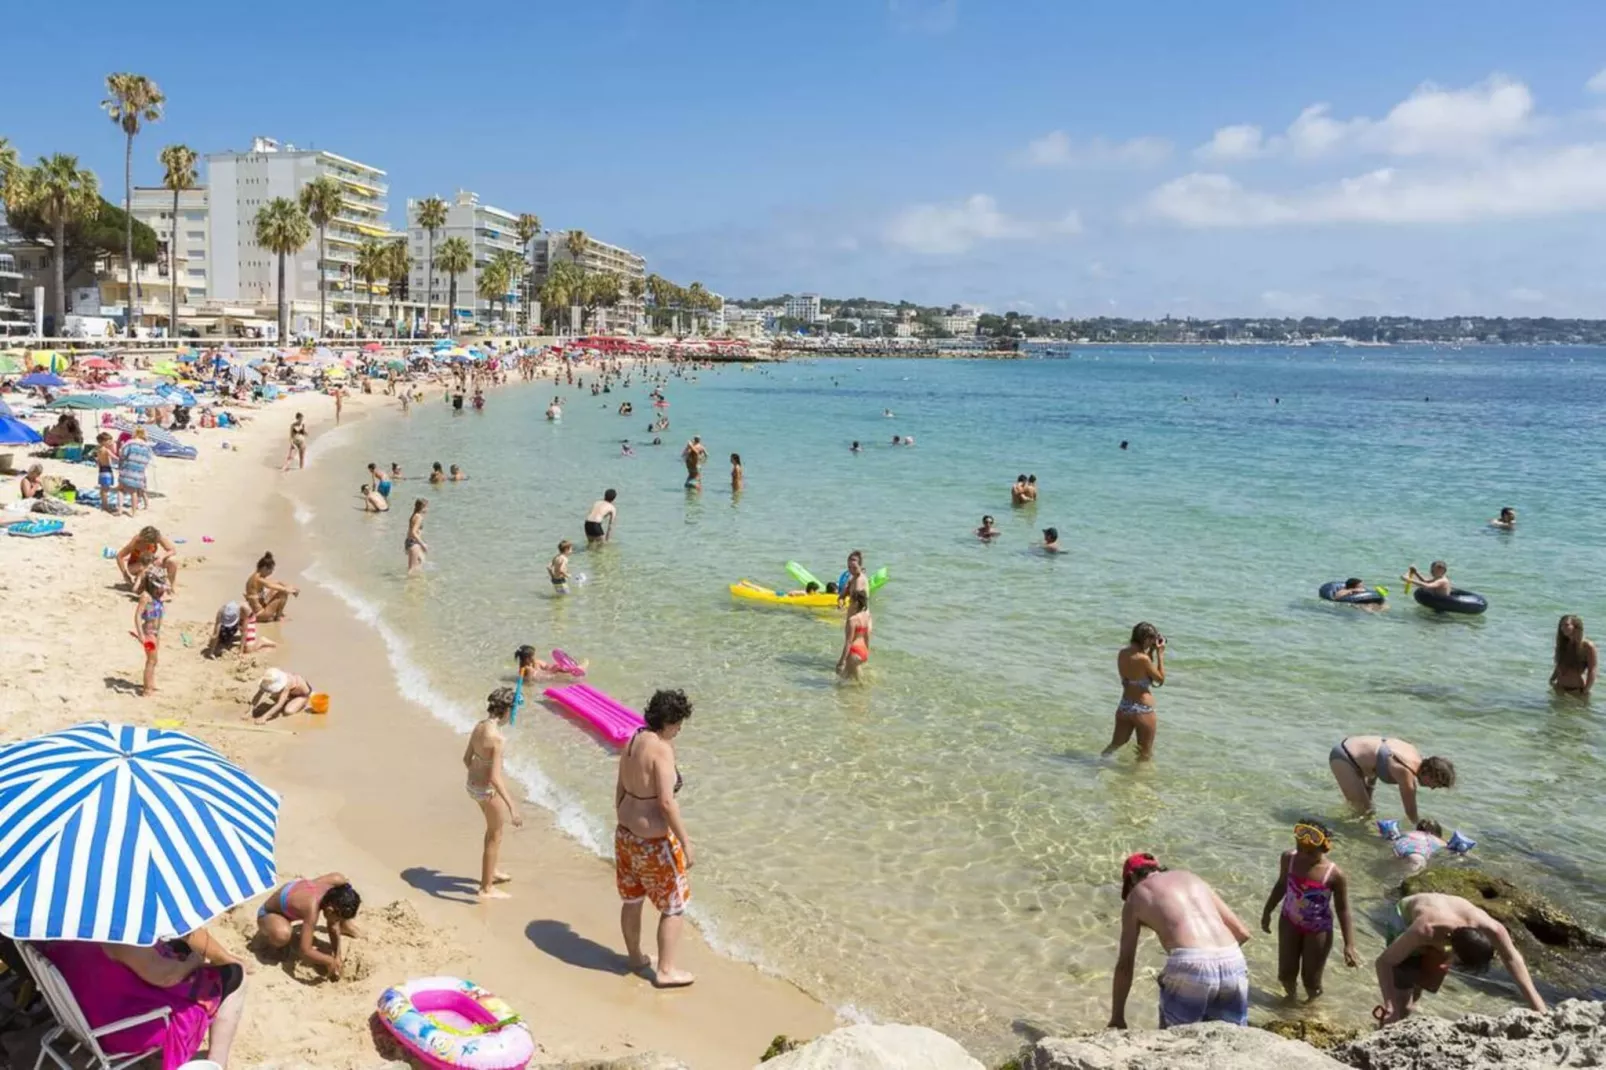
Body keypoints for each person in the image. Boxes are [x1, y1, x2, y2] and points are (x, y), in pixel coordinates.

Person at [41, 929, 248, 1069]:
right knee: (235, 975)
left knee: (175, 947)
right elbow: (165, 976)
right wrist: (193, 962)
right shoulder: (117, 935)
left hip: (81, 1011)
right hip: (118, 1030)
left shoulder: (63, 925)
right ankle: (217, 1062)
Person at [1109, 853, 1252, 1030]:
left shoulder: (1136, 895)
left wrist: (1117, 1018)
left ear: (1131, 878)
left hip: (1191, 963)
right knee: (1232, 1040)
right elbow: (1242, 933)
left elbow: (1125, 964)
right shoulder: (1192, 878)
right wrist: (1216, 964)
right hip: (1232, 958)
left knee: (1176, 1044)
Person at [615, 689, 696, 987]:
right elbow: (665, 802)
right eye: (678, 725)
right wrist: (686, 841)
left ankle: (635, 957)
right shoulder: (662, 748)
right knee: (674, 903)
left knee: (632, 898)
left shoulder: (633, 739)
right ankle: (666, 970)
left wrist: (623, 818)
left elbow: (620, 786)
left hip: (625, 834)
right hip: (653, 842)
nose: (678, 731)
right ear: (670, 721)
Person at [1376, 892, 1545, 1024]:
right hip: (1406, 918)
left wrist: (1539, 1009)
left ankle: (1407, 1006)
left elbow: (1512, 960)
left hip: (1448, 922)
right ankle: (1394, 1017)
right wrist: (1389, 1006)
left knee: (1423, 983)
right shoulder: (1426, 929)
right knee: (1401, 997)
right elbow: (1384, 962)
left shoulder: (1494, 930)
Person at [1259, 821, 1358, 1002]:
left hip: (1318, 929)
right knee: (1286, 973)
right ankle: (1290, 1001)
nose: (1304, 855)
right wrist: (1267, 910)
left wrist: (1349, 944)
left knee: (1311, 980)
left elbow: (1343, 909)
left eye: (1311, 852)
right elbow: (1281, 885)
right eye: (1300, 848)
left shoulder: (1334, 875)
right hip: (1289, 921)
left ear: (1325, 848)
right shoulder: (1289, 858)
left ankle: (1311, 1007)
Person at [465, 687, 524, 899]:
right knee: (495, 835)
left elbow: (467, 759)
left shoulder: (480, 726)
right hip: (486, 791)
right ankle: (486, 888)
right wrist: (512, 806)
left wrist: (477, 776)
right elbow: (495, 778)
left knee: (492, 831)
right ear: (507, 710)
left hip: (472, 786)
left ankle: (492, 871)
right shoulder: (498, 739)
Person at [1327, 736, 1455, 825]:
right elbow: (1411, 813)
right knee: (1363, 811)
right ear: (1431, 774)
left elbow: (1379, 758)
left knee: (1366, 810)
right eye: (1436, 785)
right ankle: (1341, 832)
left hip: (1348, 747)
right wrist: (1422, 831)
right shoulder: (1406, 773)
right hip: (1344, 759)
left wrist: (1369, 788)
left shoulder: (1412, 752)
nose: (1432, 788)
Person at [256, 875, 361, 978]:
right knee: (282, 935)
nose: (336, 922)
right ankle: (272, 947)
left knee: (343, 909)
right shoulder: (311, 909)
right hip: (269, 914)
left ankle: (343, 924)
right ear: (329, 910)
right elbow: (305, 951)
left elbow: (333, 924)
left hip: (296, 894)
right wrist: (329, 961)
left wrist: (338, 955)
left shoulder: (337, 880)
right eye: (337, 919)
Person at [1104, 622, 1165, 761]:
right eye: (1152, 640)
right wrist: (1160, 655)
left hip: (1125, 706)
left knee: (1115, 744)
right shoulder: (1143, 659)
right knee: (1144, 753)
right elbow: (1160, 679)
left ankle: (1100, 763)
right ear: (1146, 639)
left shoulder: (1122, 653)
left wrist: (1150, 652)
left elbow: (1139, 672)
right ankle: (1139, 782)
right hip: (1143, 709)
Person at [117, 526, 181, 595]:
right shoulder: (137, 541)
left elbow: (172, 550)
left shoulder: (157, 537)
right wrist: (125, 574)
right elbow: (119, 556)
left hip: (149, 561)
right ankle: (140, 582)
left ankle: (173, 585)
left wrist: (162, 557)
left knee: (173, 561)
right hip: (134, 565)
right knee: (146, 567)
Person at [134, 569, 168, 697]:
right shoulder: (146, 597)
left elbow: (159, 615)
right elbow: (137, 616)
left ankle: (151, 684)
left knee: (155, 660)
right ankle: (147, 690)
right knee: (151, 660)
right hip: (148, 634)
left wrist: (159, 632)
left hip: (155, 633)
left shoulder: (157, 597)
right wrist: (141, 635)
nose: (162, 590)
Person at [204, 601, 275, 659]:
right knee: (221, 640)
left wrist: (240, 652)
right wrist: (211, 652)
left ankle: (262, 641)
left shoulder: (245, 609)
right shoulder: (221, 611)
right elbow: (215, 633)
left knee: (248, 650)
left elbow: (245, 631)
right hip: (237, 619)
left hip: (247, 618)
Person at [244, 552, 298, 622]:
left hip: (257, 611)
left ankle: (278, 614)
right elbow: (270, 585)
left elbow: (275, 582)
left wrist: (289, 587)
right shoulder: (258, 579)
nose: (271, 573)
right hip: (260, 614)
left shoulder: (256, 576)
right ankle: (278, 618)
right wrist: (290, 590)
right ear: (264, 568)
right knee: (283, 593)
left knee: (275, 590)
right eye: (271, 570)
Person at [1551, 614, 1597, 697]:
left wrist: (1585, 691)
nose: (1562, 628)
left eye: (1566, 625)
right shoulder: (1563, 644)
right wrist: (1552, 679)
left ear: (1576, 626)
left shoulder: (1587, 646)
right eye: (1561, 625)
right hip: (1559, 688)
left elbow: (1592, 670)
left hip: (1576, 691)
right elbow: (1560, 665)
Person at [250, 668, 314, 720]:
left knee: (288, 711)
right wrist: (250, 711)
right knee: (273, 695)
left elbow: (279, 704)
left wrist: (264, 717)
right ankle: (287, 699)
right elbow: (258, 695)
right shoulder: (268, 680)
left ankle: (305, 701)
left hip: (302, 694)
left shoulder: (287, 683)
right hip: (290, 692)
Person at [837, 587, 873, 680]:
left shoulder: (853, 620)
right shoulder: (867, 615)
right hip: (863, 650)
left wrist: (841, 661)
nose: (849, 604)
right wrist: (867, 651)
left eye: (851, 602)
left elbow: (848, 642)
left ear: (856, 603)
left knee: (853, 682)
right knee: (850, 679)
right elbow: (867, 635)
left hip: (854, 652)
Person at [118, 427, 154, 511]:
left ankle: (119, 509)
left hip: (127, 469)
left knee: (121, 489)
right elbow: (148, 459)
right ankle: (134, 512)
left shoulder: (129, 443)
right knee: (134, 492)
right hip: (140, 471)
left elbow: (123, 455)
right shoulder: (147, 447)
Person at [95, 432, 122, 514]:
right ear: (103, 441)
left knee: (103, 489)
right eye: (109, 441)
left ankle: (104, 504)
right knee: (105, 490)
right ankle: (105, 506)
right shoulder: (106, 450)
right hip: (107, 470)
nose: (111, 443)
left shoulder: (98, 450)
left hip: (101, 470)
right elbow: (116, 458)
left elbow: (98, 462)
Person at [405, 499, 429, 575]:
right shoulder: (419, 517)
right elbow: (413, 532)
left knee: (420, 562)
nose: (427, 509)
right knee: (412, 568)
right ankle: (408, 584)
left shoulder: (414, 515)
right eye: (427, 507)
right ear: (422, 507)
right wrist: (423, 544)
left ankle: (416, 583)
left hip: (410, 542)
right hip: (413, 543)